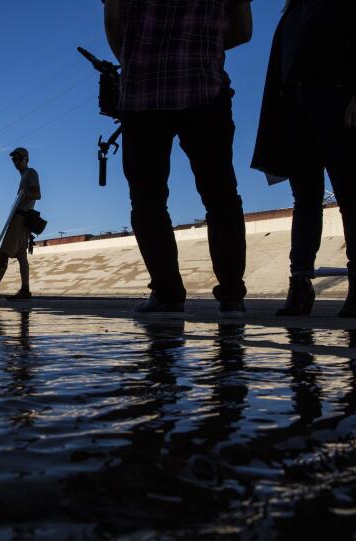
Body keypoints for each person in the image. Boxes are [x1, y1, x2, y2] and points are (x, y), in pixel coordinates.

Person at [104, 0, 253, 316]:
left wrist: (133, 59)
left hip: (142, 92)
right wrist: (200, 38)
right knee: (220, 196)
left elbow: (113, 20)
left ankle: (168, 293)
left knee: (147, 201)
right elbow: (243, 30)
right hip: (204, 86)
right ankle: (231, 296)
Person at [252, 0, 356, 318]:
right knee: (305, 199)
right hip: (297, 107)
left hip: (340, 98)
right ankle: (300, 284)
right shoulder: (294, 9)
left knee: (351, 194)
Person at [0, 147, 41, 300]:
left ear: (27, 159)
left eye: (20, 158)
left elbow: (38, 194)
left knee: (4, 253)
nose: (16, 161)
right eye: (14, 159)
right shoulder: (24, 176)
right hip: (21, 220)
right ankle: (25, 290)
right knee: (21, 255)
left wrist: (25, 194)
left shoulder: (30, 172)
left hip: (20, 220)